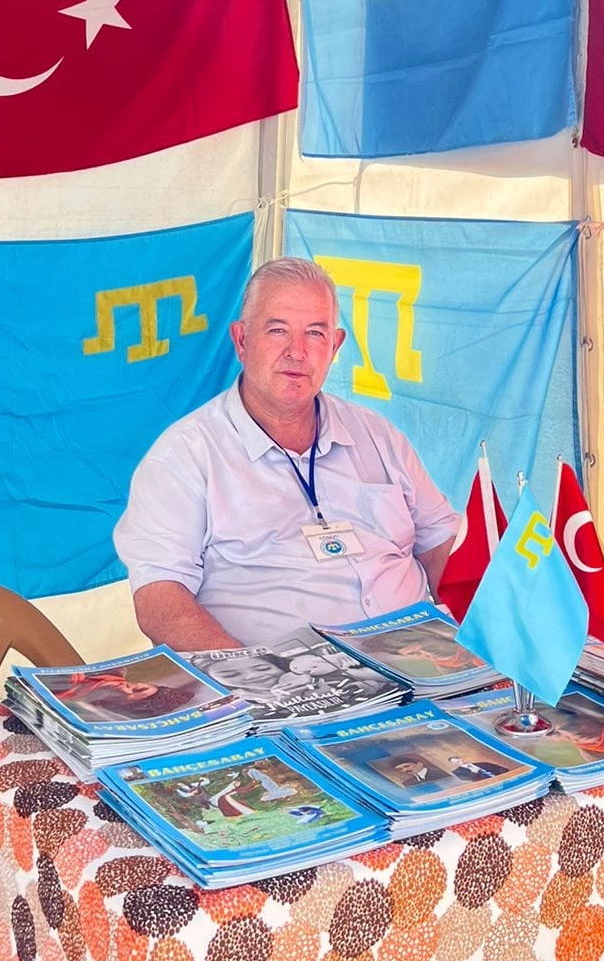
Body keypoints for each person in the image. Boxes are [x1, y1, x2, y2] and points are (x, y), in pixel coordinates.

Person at [114, 258, 460, 650]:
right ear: (241, 340)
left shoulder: (378, 436)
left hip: (417, 660)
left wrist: (484, 641)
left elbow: (443, 543)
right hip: (289, 675)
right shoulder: (185, 456)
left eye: (315, 333)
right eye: (277, 330)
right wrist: (257, 674)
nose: (297, 351)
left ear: (335, 346)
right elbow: (160, 600)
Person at [46, 669, 200, 722]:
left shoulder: (76, 707)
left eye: (133, 694)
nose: (128, 687)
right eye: (139, 688)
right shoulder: (113, 670)